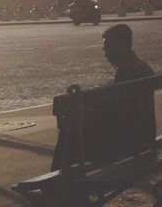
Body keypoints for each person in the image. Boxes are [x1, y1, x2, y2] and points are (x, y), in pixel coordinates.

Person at [52, 23, 155, 168]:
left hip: (125, 141)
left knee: (70, 132)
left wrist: (85, 112)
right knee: (75, 130)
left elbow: (113, 111)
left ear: (121, 45)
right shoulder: (142, 68)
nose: (106, 54)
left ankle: (58, 180)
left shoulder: (126, 71)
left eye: (108, 48)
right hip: (144, 135)